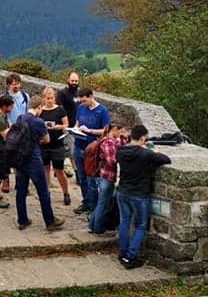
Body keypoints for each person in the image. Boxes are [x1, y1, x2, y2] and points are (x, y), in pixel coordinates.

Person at [115, 124, 171, 268]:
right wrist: (154, 151)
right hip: (139, 194)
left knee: (124, 222)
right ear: (141, 138)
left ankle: (123, 252)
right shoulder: (145, 154)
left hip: (123, 192)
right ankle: (130, 257)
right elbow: (166, 159)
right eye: (144, 139)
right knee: (141, 225)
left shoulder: (120, 151)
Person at [13, 94, 65, 232]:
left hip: (20, 158)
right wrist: (39, 139)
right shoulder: (38, 121)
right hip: (33, 159)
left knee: (21, 190)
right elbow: (47, 139)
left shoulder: (20, 118)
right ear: (39, 107)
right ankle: (50, 221)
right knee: (43, 190)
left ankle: (22, 220)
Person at [73, 86, 110, 217]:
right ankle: (86, 202)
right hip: (78, 146)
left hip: (92, 150)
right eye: (81, 101)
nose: (83, 103)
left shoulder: (102, 111)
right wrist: (75, 129)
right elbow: (77, 123)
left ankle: (94, 206)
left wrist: (89, 131)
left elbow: (106, 131)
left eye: (85, 100)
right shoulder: (81, 108)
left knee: (91, 180)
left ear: (91, 97)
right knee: (82, 177)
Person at [89, 120, 128, 234]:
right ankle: (98, 229)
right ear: (114, 129)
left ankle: (92, 225)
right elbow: (112, 161)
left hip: (106, 176)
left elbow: (121, 144)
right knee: (104, 204)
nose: (122, 133)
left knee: (102, 202)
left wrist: (123, 138)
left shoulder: (111, 140)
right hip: (106, 176)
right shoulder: (109, 142)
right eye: (121, 131)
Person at [39, 87, 71, 204]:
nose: (50, 100)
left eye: (51, 98)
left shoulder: (60, 110)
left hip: (57, 144)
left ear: (54, 98)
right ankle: (46, 192)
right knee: (45, 169)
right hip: (43, 145)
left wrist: (59, 127)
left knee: (59, 170)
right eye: (47, 98)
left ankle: (66, 193)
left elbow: (66, 125)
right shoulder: (40, 111)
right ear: (44, 98)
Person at [0, 73, 29, 194]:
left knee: (21, 157)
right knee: (7, 155)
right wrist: (9, 124)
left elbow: (27, 112)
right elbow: (2, 113)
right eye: (13, 84)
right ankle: (5, 180)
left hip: (23, 130)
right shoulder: (4, 97)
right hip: (9, 130)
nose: (16, 86)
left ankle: (20, 182)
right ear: (8, 85)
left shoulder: (25, 96)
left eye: (18, 84)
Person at [55, 71, 81, 188]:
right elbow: (59, 110)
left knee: (70, 151)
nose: (74, 83)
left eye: (76, 81)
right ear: (68, 80)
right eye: (72, 80)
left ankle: (60, 169)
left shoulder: (80, 93)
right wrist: (64, 125)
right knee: (72, 151)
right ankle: (77, 174)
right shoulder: (62, 93)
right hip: (67, 127)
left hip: (78, 127)